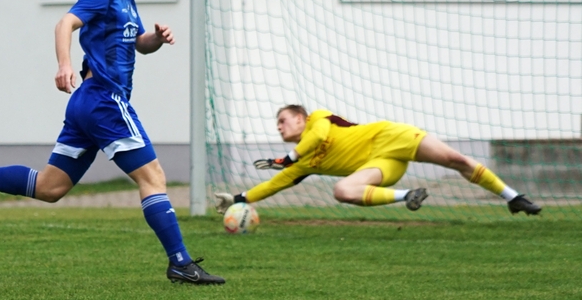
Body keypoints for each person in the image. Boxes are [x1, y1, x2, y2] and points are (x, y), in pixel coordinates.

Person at [0, 0, 224, 285]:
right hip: (104, 98)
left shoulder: (125, 0)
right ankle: (180, 262)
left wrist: (156, 40)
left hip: (87, 103)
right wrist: (64, 63)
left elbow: (139, 45)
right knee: (154, 177)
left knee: (50, 188)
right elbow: (65, 22)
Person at [214, 105, 542, 215]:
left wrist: (288, 156)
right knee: (342, 192)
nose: (279, 126)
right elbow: (276, 183)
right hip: (381, 166)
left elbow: (320, 137)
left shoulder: (318, 118)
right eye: (277, 124)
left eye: (283, 120)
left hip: (390, 137)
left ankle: (513, 198)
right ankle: (408, 197)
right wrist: (239, 199)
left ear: (300, 117)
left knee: (455, 158)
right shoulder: (304, 163)